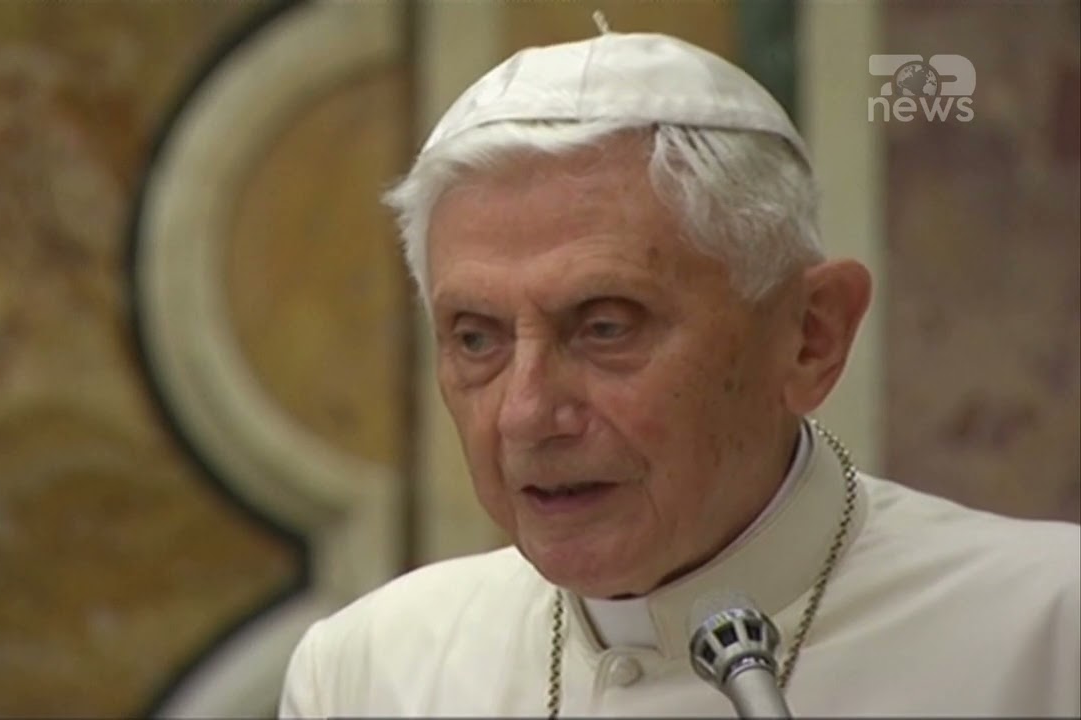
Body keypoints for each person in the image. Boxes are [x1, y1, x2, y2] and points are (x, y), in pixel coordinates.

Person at [278, 31, 1080, 717]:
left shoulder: (1050, 628)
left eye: (605, 327)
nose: (525, 413)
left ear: (810, 336)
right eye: (477, 339)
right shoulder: (370, 672)